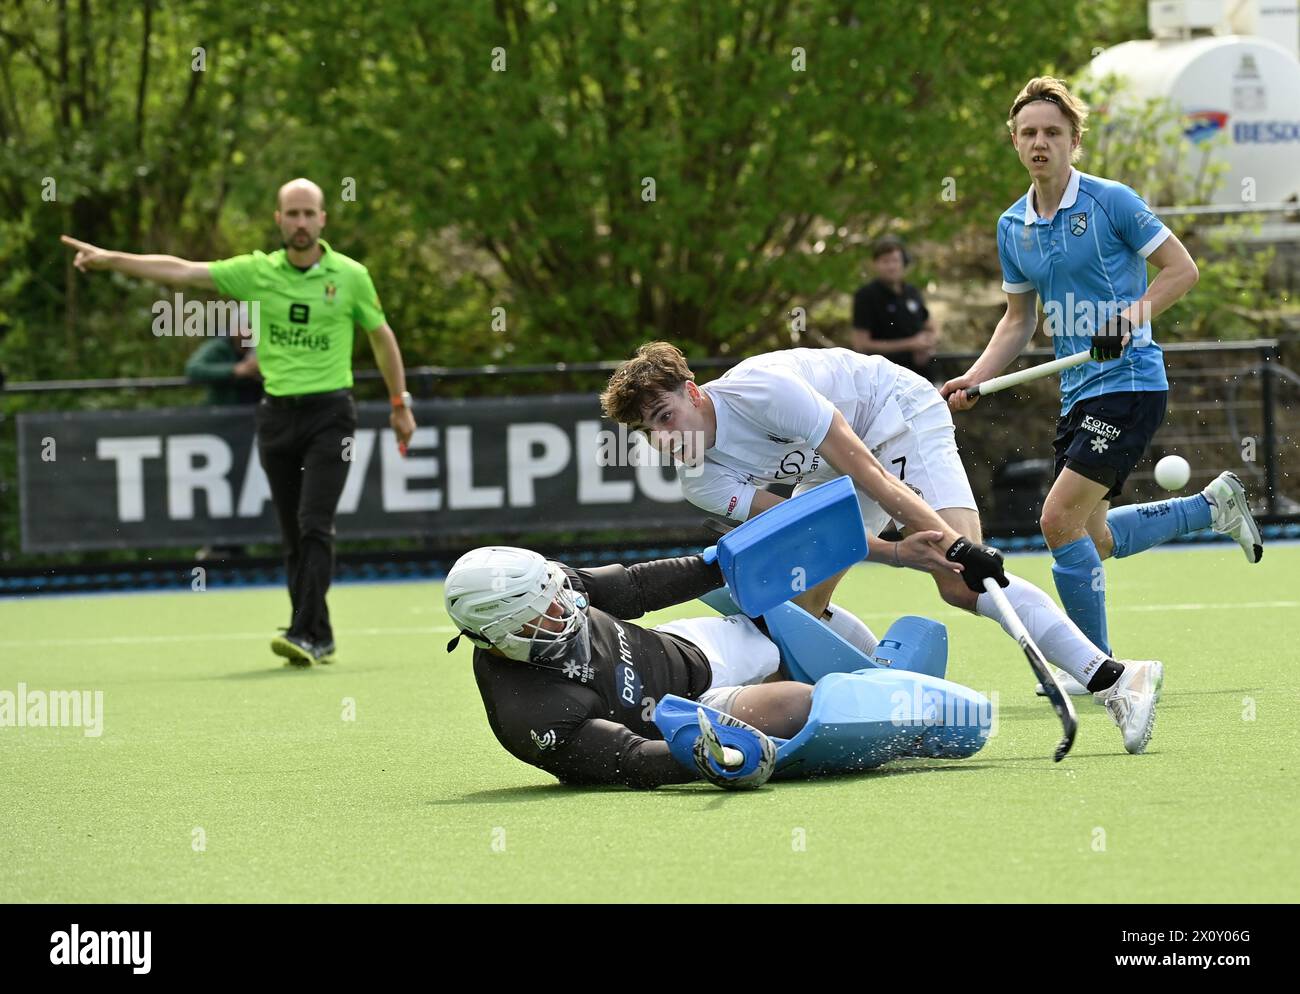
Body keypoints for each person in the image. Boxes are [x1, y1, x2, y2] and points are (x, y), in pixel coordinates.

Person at [601, 341, 1162, 754]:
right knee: (798, 611)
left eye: (666, 416)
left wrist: (954, 548)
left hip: (894, 412)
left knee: (961, 579)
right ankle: (870, 703)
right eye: (652, 432)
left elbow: (868, 471)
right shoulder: (700, 479)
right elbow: (807, 530)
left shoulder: (761, 391)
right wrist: (895, 552)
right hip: (831, 472)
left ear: (694, 393)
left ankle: (1115, 678)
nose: (666, 438)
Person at [939, 76, 1262, 687]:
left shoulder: (1111, 201)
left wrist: (1128, 316)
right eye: (1029, 133)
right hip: (1078, 390)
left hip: (1130, 378)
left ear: (1073, 141)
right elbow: (1018, 320)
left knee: (1057, 521)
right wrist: (977, 378)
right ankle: (1209, 507)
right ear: (1014, 141)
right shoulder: (1013, 226)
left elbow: (1180, 270)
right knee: (1095, 537)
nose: (1041, 143)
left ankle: (1099, 667)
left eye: (1053, 133)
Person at [61, 178, 417, 666]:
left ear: (323, 219)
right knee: (293, 532)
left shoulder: (350, 276)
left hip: (330, 415)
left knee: (316, 523)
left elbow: (382, 337)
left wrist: (399, 403)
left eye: (308, 213)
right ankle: (320, 629)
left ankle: (305, 633)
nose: (300, 222)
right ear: (278, 220)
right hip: (276, 417)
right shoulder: (256, 272)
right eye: (291, 214)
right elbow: (183, 272)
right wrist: (110, 258)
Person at [445, 546, 802, 789]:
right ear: (498, 635)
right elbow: (633, 757)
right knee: (797, 704)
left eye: (554, 594)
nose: (562, 606)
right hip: (690, 716)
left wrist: (720, 565)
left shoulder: (542, 585)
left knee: (789, 612)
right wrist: (701, 755)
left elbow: (635, 587)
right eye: (543, 611)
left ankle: (781, 673)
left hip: (688, 646)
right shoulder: (529, 716)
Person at [851, 237, 939, 376]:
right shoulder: (866, 296)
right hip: (885, 377)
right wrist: (910, 344)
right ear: (875, 264)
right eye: (885, 261)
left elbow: (931, 326)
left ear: (903, 263)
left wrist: (927, 346)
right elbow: (861, 344)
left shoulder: (912, 292)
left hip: (921, 374)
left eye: (895, 260)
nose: (891, 266)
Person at [184, 302, 261, 406]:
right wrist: (234, 370)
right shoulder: (218, 347)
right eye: (245, 327)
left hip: (256, 411)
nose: (248, 333)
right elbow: (193, 368)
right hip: (224, 412)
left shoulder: (261, 348)